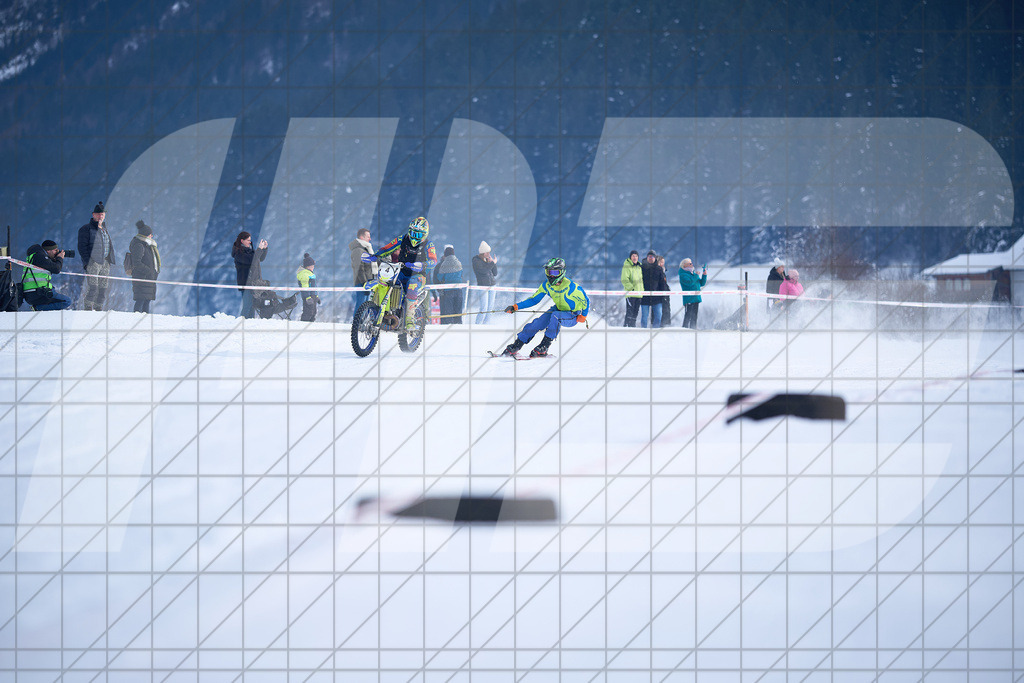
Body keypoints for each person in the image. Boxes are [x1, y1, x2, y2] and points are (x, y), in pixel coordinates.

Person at [501, 257, 589, 358]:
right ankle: (516, 345)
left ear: (562, 272)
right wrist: (515, 307)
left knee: (556, 316)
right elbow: (534, 300)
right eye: (549, 272)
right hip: (557, 309)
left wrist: (583, 316)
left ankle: (544, 347)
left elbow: (586, 300)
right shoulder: (546, 285)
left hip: (573, 315)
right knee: (538, 323)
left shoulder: (571, 287)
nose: (551, 275)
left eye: (555, 273)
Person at [373, 217, 438, 329]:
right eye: (413, 233)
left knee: (412, 285)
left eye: (418, 235)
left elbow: (433, 260)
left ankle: (409, 321)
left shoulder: (428, 245)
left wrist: (422, 264)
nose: (414, 237)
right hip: (401, 271)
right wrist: (375, 255)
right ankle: (383, 312)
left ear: (424, 234)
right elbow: (388, 248)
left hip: (418, 275)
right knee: (386, 281)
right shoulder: (402, 239)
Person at [77, 201, 117, 310]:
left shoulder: (104, 229)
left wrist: (110, 260)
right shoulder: (86, 229)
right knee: (93, 287)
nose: (100, 216)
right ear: (93, 215)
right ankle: (88, 307)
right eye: (98, 214)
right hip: (93, 262)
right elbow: (82, 248)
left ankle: (99, 308)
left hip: (105, 262)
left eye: (102, 214)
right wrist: (87, 262)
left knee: (103, 288)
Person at [21, 240, 72, 310]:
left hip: (32, 292)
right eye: (55, 250)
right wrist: (59, 258)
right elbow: (56, 269)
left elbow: (51, 267)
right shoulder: (40, 256)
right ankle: (37, 308)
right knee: (66, 301)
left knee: (54, 291)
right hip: (38, 292)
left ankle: (40, 310)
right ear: (48, 250)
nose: (57, 252)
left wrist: (54, 259)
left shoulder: (36, 256)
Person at [232, 231, 268, 318]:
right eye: (248, 240)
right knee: (247, 306)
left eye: (250, 240)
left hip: (254, 283)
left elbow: (260, 258)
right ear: (242, 241)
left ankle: (249, 326)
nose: (250, 242)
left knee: (252, 307)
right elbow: (252, 260)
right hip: (246, 283)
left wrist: (264, 249)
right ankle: (241, 325)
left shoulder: (250, 251)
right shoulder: (238, 254)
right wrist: (259, 249)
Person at [128, 220, 161, 313]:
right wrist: (148, 271)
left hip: (148, 278)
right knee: (140, 301)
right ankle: (136, 321)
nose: (152, 236)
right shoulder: (139, 245)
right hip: (142, 278)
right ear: (146, 235)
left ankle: (144, 323)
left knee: (146, 301)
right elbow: (136, 262)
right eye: (150, 234)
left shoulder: (147, 246)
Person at [433, 244, 464, 324]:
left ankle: (448, 329)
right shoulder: (458, 262)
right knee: (458, 311)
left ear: (445, 254)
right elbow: (461, 274)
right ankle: (459, 326)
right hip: (459, 290)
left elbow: (439, 277)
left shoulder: (444, 264)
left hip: (448, 291)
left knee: (448, 312)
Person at [348, 228, 376, 313]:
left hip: (367, 282)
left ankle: (362, 324)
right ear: (361, 237)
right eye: (368, 236)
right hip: (362, 283)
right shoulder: (358, 250)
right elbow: (359, 268)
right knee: (361, 305)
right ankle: (357, 324)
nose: (370, 239)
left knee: (365, 305)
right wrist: (365, 284)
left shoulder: (365, 250)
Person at [471, 241, 498, 324]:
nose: (489, 254)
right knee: (484, 308)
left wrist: (492, 263)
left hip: (492, 285)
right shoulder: (476, 261)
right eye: (487, 252)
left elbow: (495, 273)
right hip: (483, 286)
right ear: (483, 252)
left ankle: (486, 325)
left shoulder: (488, 261)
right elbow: (483, 271)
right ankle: (478, 325)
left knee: (490, 308)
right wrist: (492, 263)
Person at [678, 258, 707, 329]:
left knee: (694, 317)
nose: (692, 264)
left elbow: (701, 283)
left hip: (696, 298)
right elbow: (689, 283)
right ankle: (685, 329)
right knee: (688, 316)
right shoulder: (683, 274)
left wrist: (704, 275)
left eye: (691, 263)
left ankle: (693, 329)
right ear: (684, 265)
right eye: (690, 263)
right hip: (689, 299)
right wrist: (696, 276)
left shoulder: (693, 273)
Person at [640, 250, 666, 328]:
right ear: (647, 257)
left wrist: (663, 294)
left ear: (655, 258)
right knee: (644, 317)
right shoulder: (642, 268)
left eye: (652, 257)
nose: (650, 258)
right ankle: (643, 332)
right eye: (649, 256)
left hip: (656, 297)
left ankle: (655, 331)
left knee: (659, 316)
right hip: (644, 297)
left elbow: (662, 283)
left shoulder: (659, 269)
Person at [620, 249, 642, 327]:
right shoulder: (627, 266)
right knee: (630, 312)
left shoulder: (639, 266)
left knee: (636, 312)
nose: (635, 257)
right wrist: (632, 289)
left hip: (639, 294)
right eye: (633, 256)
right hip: (631, 293)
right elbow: (624, 279)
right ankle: (626, 327)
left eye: (636, 256)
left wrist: (642, 290)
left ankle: (632, 327)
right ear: (630, 257)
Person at [296, 253, 320, 322]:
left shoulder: (311, 274)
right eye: (312, 266)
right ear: (308, 266)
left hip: (313, 296)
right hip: (308, 297)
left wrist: (316, 296)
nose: (313, 267)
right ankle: (303, 324)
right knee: (308, 312)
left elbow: (314, 286)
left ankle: (311, 325)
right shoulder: (304, 274)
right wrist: (307, 297)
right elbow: (305, 286)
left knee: (314, 312)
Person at [657, 255, 672, 327]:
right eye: (661, 262)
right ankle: (662, 324)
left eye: (663, 262)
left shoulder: (663, 271)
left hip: (665, 293)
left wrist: (667, 288)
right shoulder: (657, 271)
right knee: (662, 309)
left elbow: (664, 282)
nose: (662, 263)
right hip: (660, 293)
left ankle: (667, 324)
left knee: (667, 309)